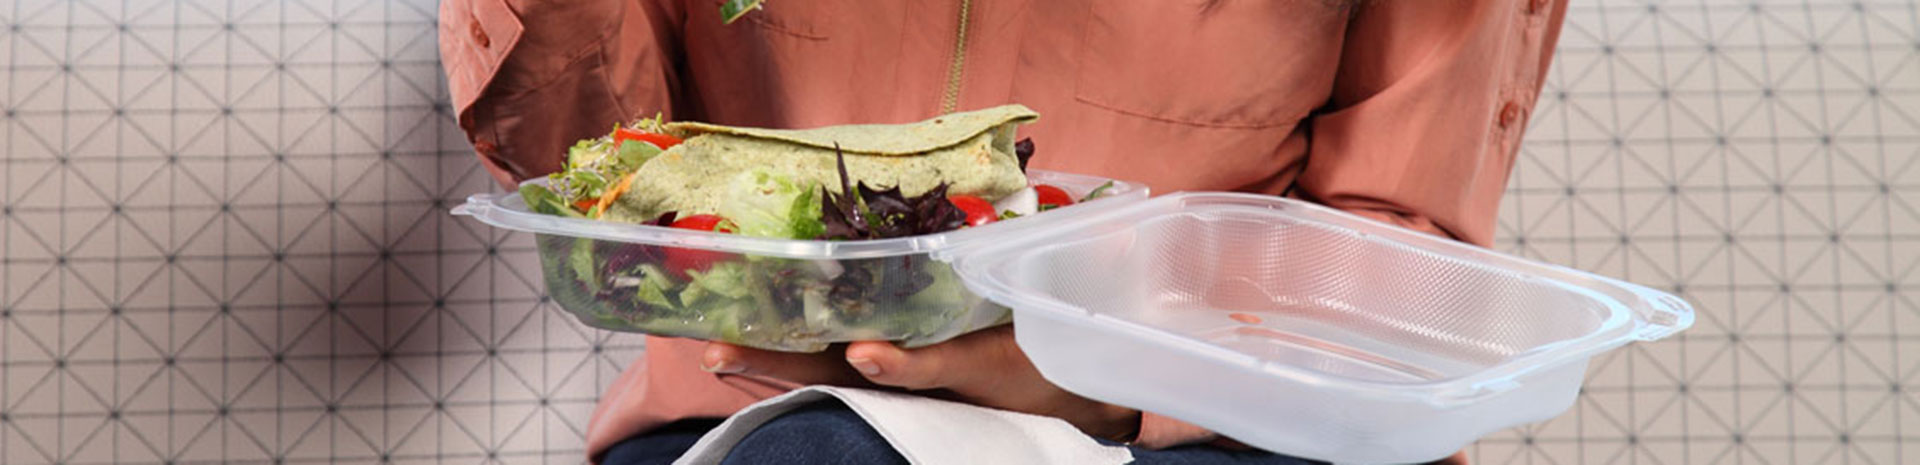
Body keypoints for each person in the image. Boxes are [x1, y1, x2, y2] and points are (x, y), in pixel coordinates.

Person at [440, 1, 1569, 463]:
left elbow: (1390, 250)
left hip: (1228, 420)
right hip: (783, 405)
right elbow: (602, 177)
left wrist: (1105, 379)